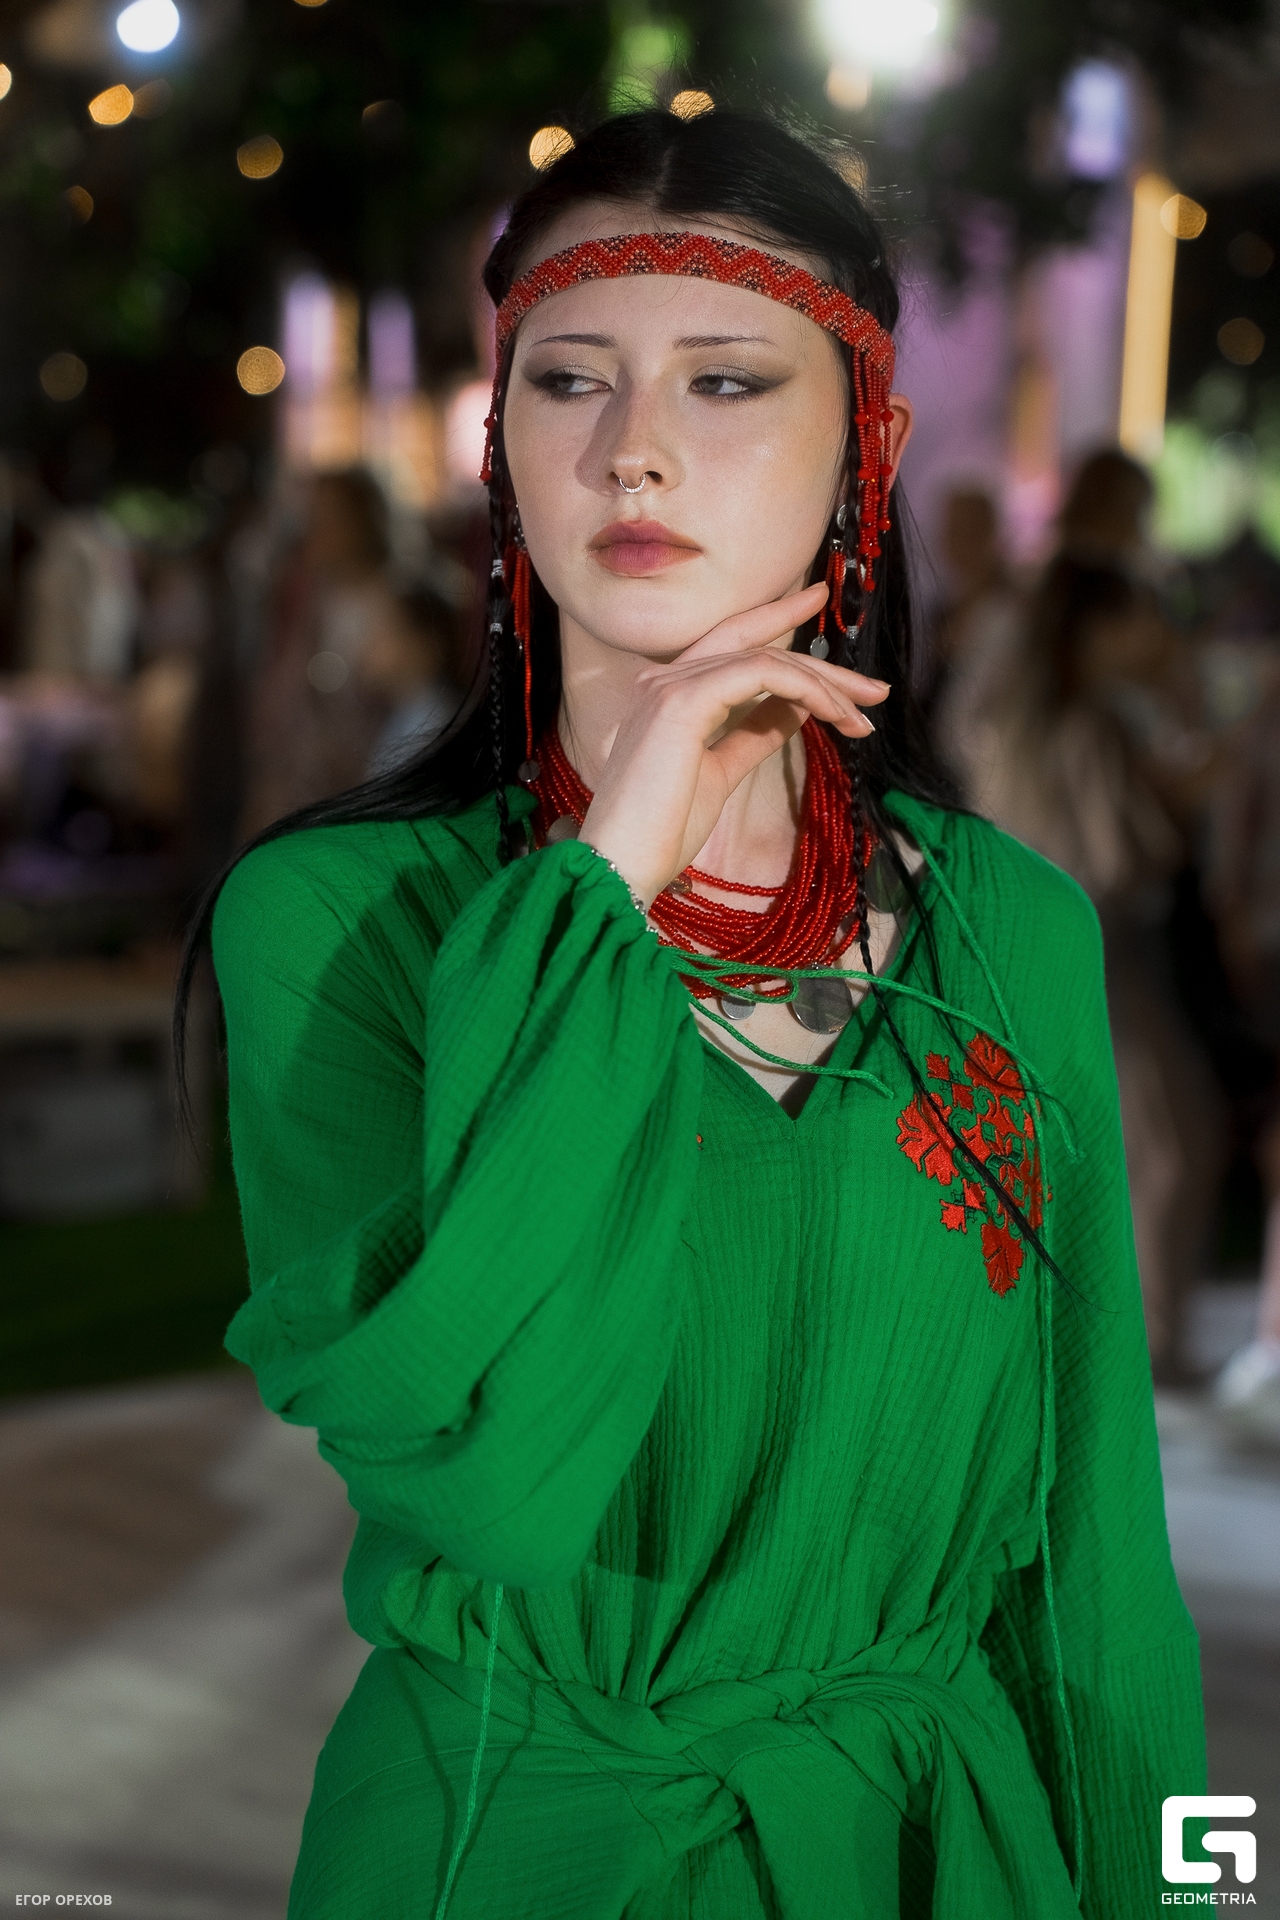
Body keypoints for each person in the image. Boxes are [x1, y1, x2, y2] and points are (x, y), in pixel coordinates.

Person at [183, 110, 1203, 1918]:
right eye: (569, 379)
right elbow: (500, 1485)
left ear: (867, 447)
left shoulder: (1010, 933)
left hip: (933, 1853)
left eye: (726, 382)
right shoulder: (338, 926)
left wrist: (1199, 1888)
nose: (633, 449)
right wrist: (606, 880)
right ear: (504, 446)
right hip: (513, 1848)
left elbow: (1105, 1557)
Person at [979, 546, 1224, 1381]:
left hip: (1022, 951)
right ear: (1096, 626)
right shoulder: (1092, 724)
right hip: (1101, 948)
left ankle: (1103, 1343)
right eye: (1135, 615)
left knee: (1077, 1146)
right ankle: (1147, 1347)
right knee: (1172, 1140)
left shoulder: (1013, 716)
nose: (1152, 630)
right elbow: (1136, 850)